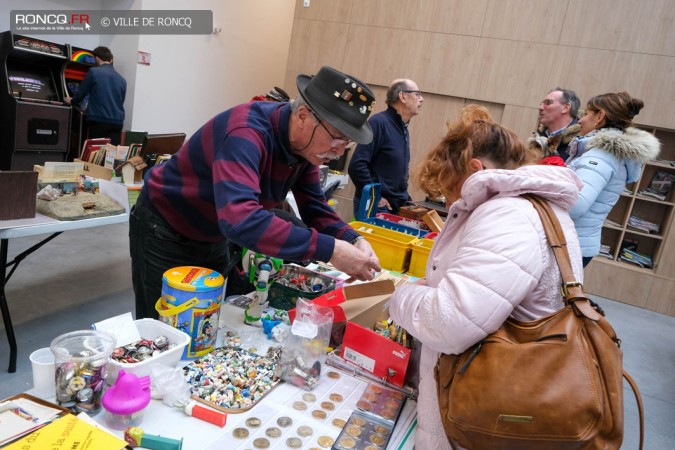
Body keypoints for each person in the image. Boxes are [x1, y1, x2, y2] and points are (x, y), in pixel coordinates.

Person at [388, 105, 584, 450]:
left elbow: (447, 322)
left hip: (485, 405)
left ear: (475, 169)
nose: (451, 202)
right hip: (502, 392)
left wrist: (400, 296)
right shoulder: (535, 205)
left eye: (451, 192)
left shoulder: (508, 214)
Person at [129, 66, 382, 320]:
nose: (339, 152)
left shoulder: (303, 148)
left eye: (346, 143)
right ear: (303, 116)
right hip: (165, 229)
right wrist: (331, 250)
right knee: (162, 331)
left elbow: (314, 206)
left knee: (203, 322)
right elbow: (241, 220)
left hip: (213, 234)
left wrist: (351, 240)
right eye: (336, 138)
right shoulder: (246, 133)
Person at [566, 92, 660, 267]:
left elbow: (575, 204)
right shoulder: (608, 155)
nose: (580, 120)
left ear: (600, 116)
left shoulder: (602, 155)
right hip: (575, 243)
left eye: (586, 113)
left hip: (569, 245)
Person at [348, 79, 423, 217]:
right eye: (417, 94)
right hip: (377, 205)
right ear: (403, 96)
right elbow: (357, 166)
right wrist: (375, 198)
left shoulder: (403, 128)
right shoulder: (378, 123)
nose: (421, 99)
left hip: (394, 205)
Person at [65, 46, 126, 145]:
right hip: (117, 122)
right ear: (111, 60)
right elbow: (120, 101)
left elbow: (82, 93)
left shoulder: (94, 72)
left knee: (96, 152)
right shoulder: (122, 80)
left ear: (97, 58)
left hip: (99, 120)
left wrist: (71, 101)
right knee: (110, 154)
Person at [536, 87, 581, 161]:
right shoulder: (539, 137)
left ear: (565, 108)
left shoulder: (579, 142)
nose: (540, 107)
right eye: (541, 104)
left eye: (548, 103)